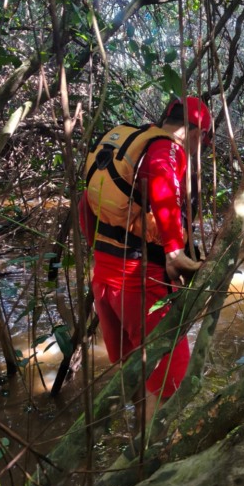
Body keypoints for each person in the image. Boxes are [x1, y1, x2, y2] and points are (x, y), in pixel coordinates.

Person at [79, 96, 212, 427]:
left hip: (105, 283)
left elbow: (85, 209)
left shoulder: (127, 145)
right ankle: (154, 461)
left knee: (136, 371)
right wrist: (173, 254)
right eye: (205, 141)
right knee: (169, 383)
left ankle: (129, 446)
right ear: (197, 133)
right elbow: (164, 186)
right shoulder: (167, 150)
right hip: (140, 285)